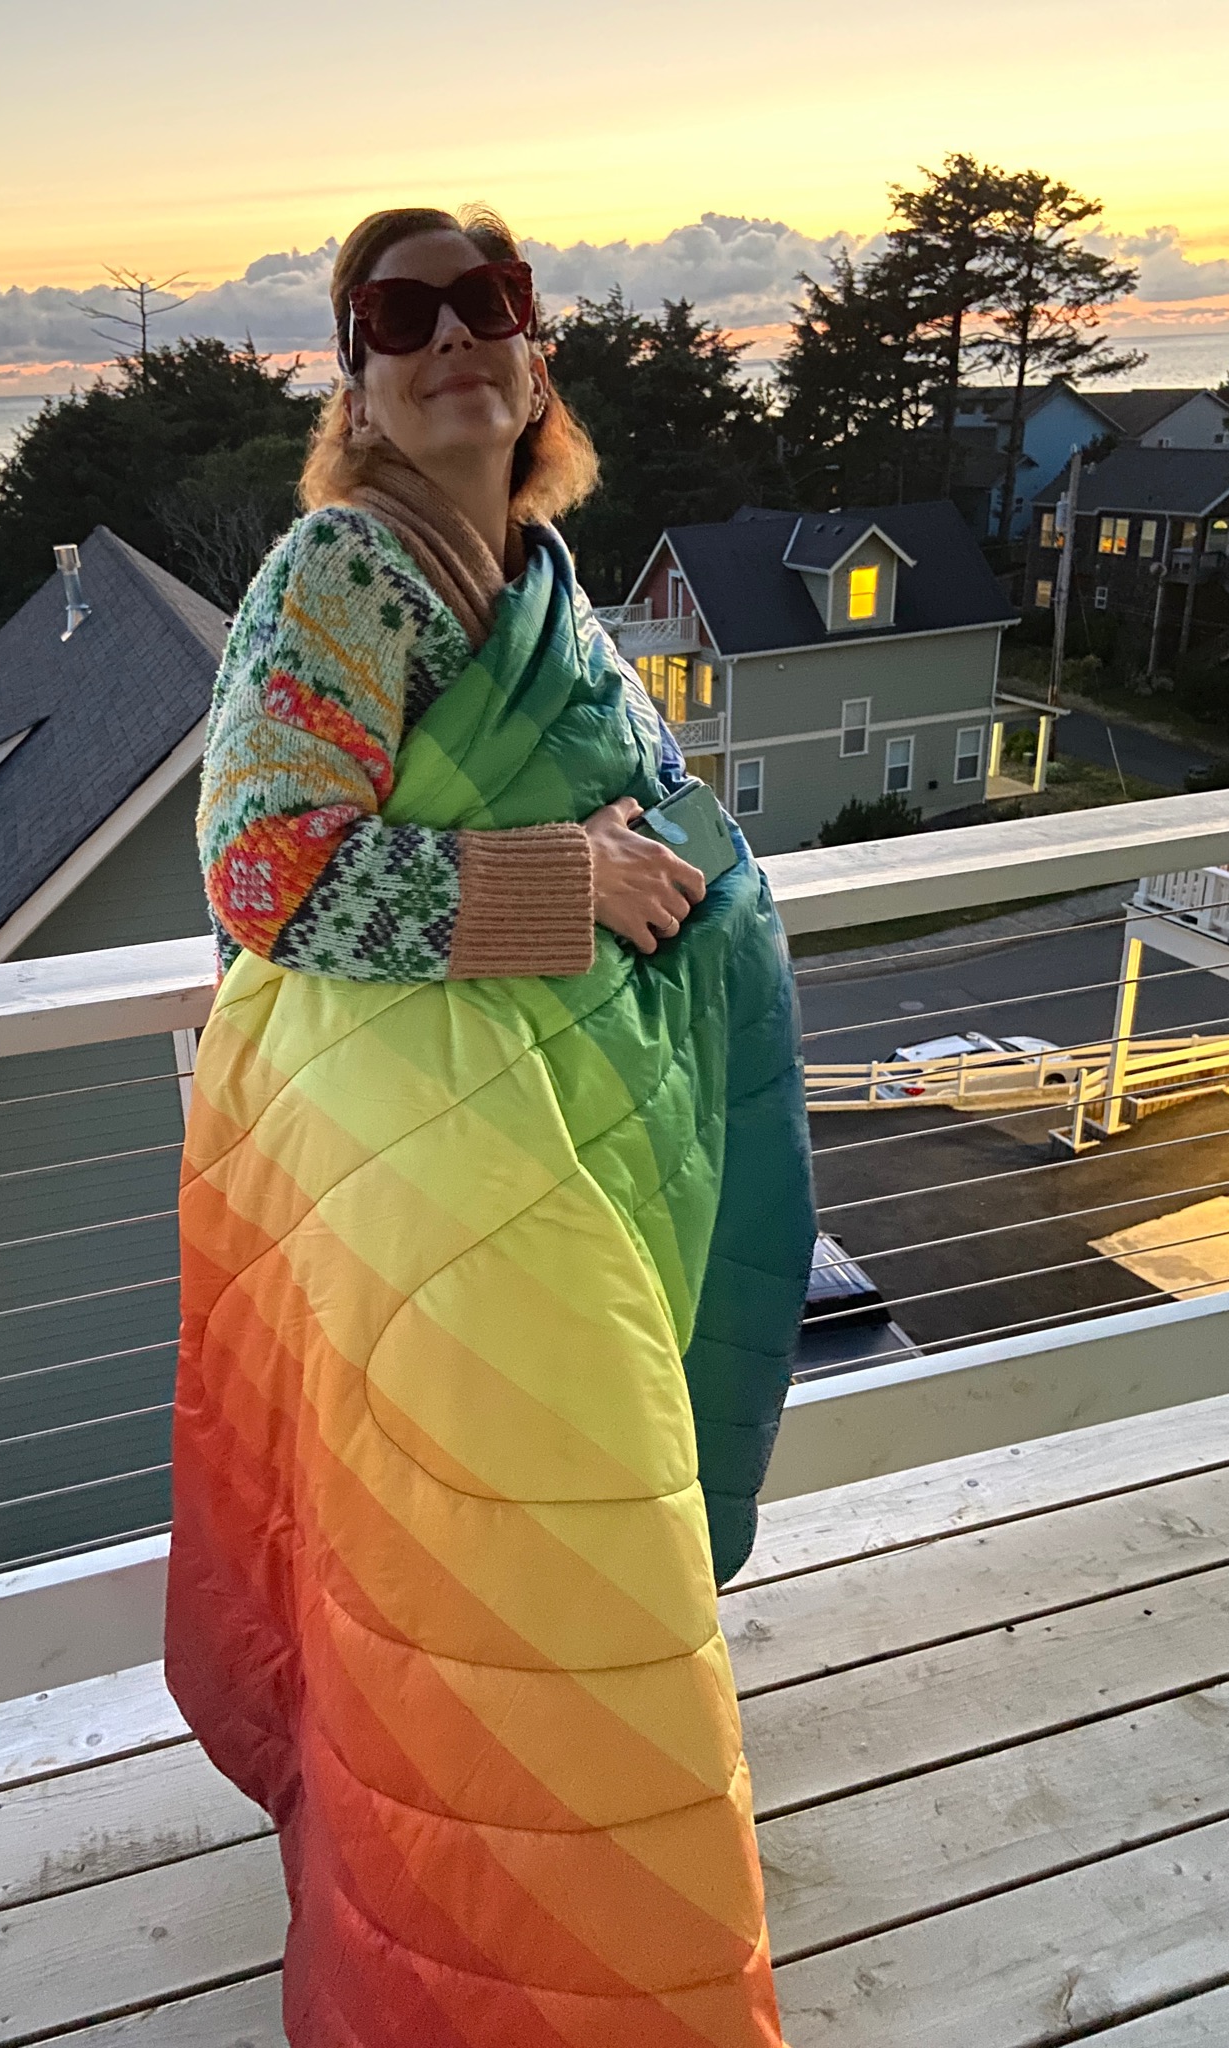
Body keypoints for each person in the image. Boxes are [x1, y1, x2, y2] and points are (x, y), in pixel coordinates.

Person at [166, 203, 815, 2048]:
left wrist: (656, 873)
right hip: (432, 1163)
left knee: (501, 1559)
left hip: (544, 1128)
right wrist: (563, 888)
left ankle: (492, 1893)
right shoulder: (339, 574)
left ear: (538, 360)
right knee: (524, 1545)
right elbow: (266, 871)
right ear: (358, 379)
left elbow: (640, 798)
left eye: (492, 305)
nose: (452, 338)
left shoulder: (525, 560)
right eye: (402, 313)